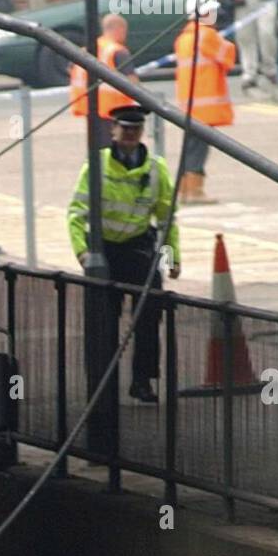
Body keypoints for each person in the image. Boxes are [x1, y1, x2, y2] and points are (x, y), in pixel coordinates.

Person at [67, 105, 181, 404]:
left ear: (142, 132)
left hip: (139, 251)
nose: (130, 134)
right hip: (104, 252)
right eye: (124, 128)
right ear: (113, 131)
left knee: (149, 314)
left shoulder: (156, 169)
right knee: (103, 320)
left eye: (136, 129)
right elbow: (77, 213)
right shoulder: (96, 165)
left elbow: (167, 218)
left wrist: (171, 258)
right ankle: (101, 383)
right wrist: (82, 252)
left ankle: (142, 381)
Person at [173, 0, 235, 204]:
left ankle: (183, 190)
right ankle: (195, 192)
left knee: (189, 147)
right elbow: (228, 56)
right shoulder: (206, 36)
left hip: (189, 104)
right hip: (204, 105)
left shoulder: (184, 38)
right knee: (198, 148)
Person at [69, 12, 138, 153]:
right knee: (114, 154)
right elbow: (133, 84)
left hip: (90, 111)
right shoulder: (117, 51)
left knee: (96, 153)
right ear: (119, 28)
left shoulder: (87, 49)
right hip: (113, 112)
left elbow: (72, 71)